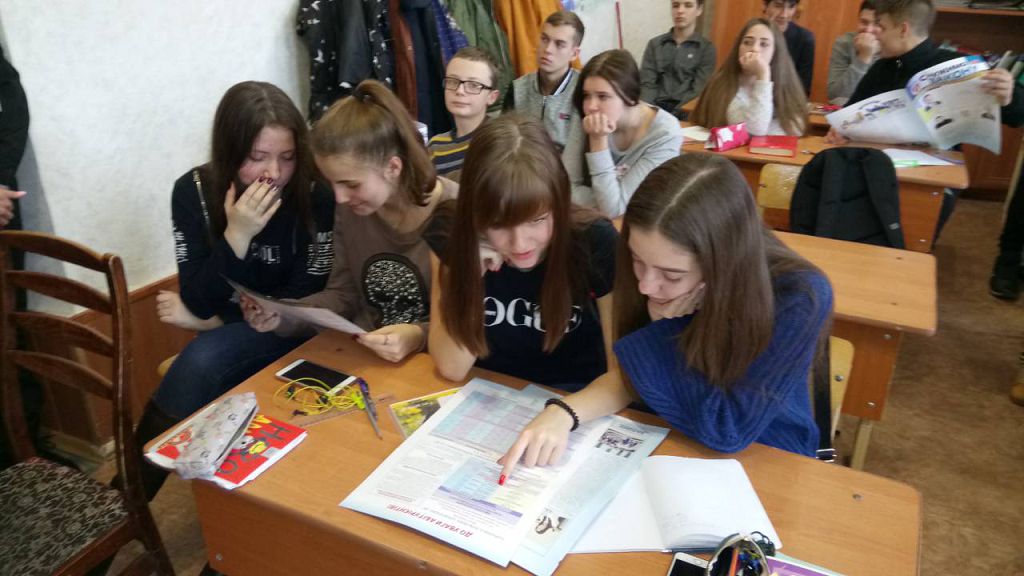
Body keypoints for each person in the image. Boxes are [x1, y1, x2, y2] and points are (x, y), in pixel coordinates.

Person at [498, 153, 834, 480]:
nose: (646, 285)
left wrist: (664, 328)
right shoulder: (650, 258)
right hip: (666, 432)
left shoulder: (799, 295)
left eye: (672, 275)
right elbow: (631, 375)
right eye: (636, 260)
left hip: (763, 453)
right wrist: (564, 413)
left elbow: (727, 429)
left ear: (722, 264)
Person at [136, 81, 335, 499]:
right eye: (256, 157)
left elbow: (307, 292)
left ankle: (128, 497)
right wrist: (238, 234)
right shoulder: (194, 191)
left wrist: (213, 320)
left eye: (287, 157)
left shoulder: (315, 192)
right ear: (229, 151)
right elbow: (197, 298)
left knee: (202, 359)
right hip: (241, 324)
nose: (273, 173)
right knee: (203, 362)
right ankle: (127, 501)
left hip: (296, 327)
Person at [244, 79, 457, 364]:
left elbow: (472, 321)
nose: (340, 197)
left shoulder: (455, 211)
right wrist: (282, 314)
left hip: (433, 366)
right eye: (331, 183)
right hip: (365, 354)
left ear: (393, 167)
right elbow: (343, 296)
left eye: (351, 184)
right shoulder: (352, 209)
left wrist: (418, 335)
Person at [427, 114, 617, 392]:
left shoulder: (596, 240)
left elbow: (619, 375)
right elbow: (451, 367)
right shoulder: (450, 231)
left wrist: (562, 411)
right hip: (489, 392)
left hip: (575, 396)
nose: (519, 244)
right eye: (498, 224)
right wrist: (469, 276)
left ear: (559, 203)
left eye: (537, 220)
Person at [825, 0, 1024, 235]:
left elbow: (1017, 116)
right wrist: (840, 130)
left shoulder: (956, 66)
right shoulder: (881, 68)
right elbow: (850, 115)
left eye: (882, 27)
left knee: (908, 230)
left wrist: (1008, 95)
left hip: (932, 177)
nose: (875, 33)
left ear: (903, 29)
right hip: (879, 171)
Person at [563, 49, 683, 218]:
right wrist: (605, 202)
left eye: (603, 96)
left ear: (631, 97)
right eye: (586, 95)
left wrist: (598, 140)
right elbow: (564, 187)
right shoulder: (587, 115)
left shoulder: (665, 134)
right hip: (590, 221)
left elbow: (613, 209)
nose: (590, 106)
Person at [690, 18, 807, 136]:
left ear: (775, 52)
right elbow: (754, 130)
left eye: (764, 44)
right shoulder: (722, 84)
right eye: (747, 42)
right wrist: (763, 76)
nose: (754, 49)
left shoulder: (785, 83)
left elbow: (797, 128)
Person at [503, 10, 585, 152]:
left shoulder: (584, 90)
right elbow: (504, 141)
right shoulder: (517, 89)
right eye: (544, 39)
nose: (548, 49)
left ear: (574, 54)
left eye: (559, 44)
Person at [428, 47, 501, 183]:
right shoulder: (435, 146)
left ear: (492, 97)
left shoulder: (501, 141)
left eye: (473, 85)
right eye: (452, 81)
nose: (460, 91)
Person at [639, 0, 716, 119]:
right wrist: (649, 113)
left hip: (686, 112)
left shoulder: (706, 49)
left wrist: (672, 116)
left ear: (699, 9)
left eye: (688, 5)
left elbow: (698, 90)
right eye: (675, 5)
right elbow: (647, 84)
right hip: (654, 111)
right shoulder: (655, 45)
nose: (680, 11)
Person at [827, 1, 880, 106]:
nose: (868, 30)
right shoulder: (844, 43)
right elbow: (834, 95)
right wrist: (864, 57)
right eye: (864, 22)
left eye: (877, 24)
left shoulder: (894, 49)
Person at [763, 0, 814, 95]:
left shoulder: (804, 38)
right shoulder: (752, 33)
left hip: (787, 99)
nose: (784, 15)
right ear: (765, 6)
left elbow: (803, 87)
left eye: (791, 7)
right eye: (778, 6)